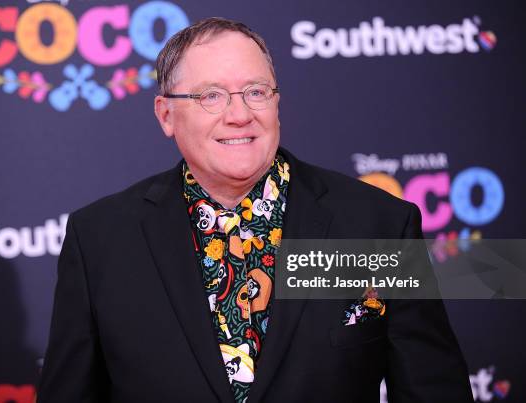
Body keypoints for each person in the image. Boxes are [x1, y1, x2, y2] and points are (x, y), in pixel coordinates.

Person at [36, 17, 474, 403]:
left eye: (255, 92)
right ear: (166, 114)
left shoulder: (376, 224)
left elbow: (432, 388)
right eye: (211, 96)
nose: (239, 114)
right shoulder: (101, 239)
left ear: (277, 102)